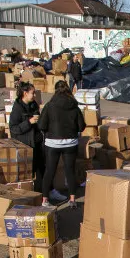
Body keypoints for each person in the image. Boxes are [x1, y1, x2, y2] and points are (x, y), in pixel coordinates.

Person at [39, 80, 85, 209]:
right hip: (70, 143)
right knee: (70, 171)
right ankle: (72, 199)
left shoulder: (49, 106)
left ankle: (45, 200)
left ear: (55, 91)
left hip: (52, 143)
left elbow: (41, 125)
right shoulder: (74, 106)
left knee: (49, 171)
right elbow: (81, 126)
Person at [9, 82, 46, 193]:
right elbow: (13, 128)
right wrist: (29, 122)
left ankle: (44, 192)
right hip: (26, 145)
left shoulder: (33, 104)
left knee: (42, 167)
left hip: (37, 142)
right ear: (25, 93)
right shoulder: (17, 109)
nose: (34, 95)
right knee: (29, 170)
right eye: (32, 93)